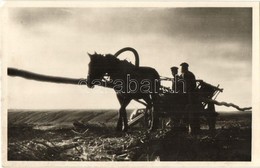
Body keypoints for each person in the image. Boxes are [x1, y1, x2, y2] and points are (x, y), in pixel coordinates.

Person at [180, 62, 200, 134]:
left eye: (183, 67)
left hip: (190, 94)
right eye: (181, 67)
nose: (181, 69)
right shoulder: (182, 75)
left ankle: (192, 128)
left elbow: (192, 85)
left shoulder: (189, 74)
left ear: (186, 67)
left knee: (189, 108)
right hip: (184, 93)